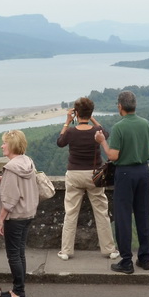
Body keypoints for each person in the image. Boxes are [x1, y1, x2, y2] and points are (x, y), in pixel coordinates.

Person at [96, 90, 149, 274]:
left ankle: (127, 261)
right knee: (143, 214)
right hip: (144, 172)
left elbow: (113, 155)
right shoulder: (146, 124)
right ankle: (145, 258)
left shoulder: (119, 127)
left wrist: (102, 141)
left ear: (120, 106)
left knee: (123, 216)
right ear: (134, 105)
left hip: (125, 173)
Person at [55, 97, 119, 261]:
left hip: (74, 174)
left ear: (76, 113)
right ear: (90, 112)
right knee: (101, 212)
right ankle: (109, 250)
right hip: (94, 175)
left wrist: (67, 121)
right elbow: (106, 133)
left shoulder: (71, 131)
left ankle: (66, 250)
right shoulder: (96, 132)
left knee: (70, 212)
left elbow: (60, 142)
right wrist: (91, 117)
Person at [0, 130, 40, 297]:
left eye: (5, 142)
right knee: (20, 253)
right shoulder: (27, 162)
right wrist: (4, 178)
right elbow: (23, 184)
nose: (2, 145)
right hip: (28, 214)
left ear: (12, 145)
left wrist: (0, 221)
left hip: (15, 217)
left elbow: (9, 200)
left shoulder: (11, 168)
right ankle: (20, 289)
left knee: (13, 254)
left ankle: (18, 292)